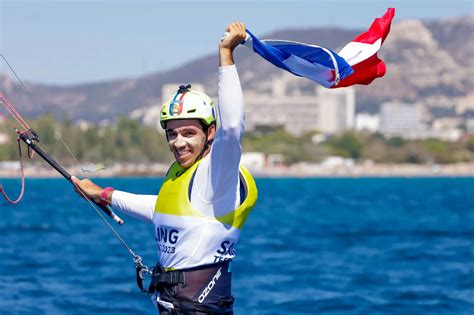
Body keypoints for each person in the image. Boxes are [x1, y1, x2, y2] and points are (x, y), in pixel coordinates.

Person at [72, 22, 257, 315]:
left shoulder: (217, 174)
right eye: (172, 134)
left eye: (188, 133)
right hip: (171, 306)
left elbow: (232, 127)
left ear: (209, 133)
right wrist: (103, 194)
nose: (179, 143)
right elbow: (160, 209)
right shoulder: (181, 175)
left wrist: (226, 54)